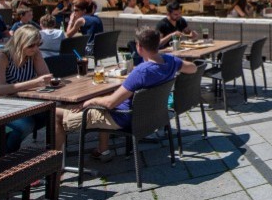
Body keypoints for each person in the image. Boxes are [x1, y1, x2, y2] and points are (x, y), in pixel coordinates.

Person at [55, 26, 197, 160]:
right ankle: (103, 150)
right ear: (157, 44)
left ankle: (56, 165)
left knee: (55, 112)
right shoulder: (170, 60)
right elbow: (193, 69)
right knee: (103, 98)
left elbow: (110, 104)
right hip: (149, 116)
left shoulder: (141, 72)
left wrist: (89, 102)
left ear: (139, 47)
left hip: (123, 117)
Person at [0, 25, 53, 152]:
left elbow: (46, 78)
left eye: (38, 44)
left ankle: (5, 147)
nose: (35, 48)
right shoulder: (1, 57)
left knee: (50, 115)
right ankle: (6, 155)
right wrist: (34, 83)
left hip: (21, 101)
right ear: (19, 43)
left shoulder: (34, 54)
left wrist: (37, 58)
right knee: (26, 125)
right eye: (31, 45)